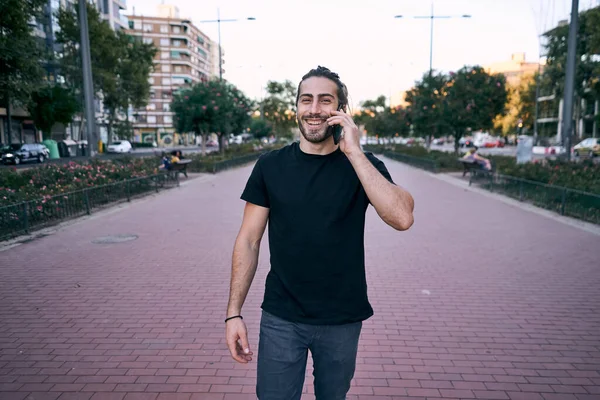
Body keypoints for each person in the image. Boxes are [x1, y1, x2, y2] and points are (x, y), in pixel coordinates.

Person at [225, 66, 415, 400]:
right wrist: (233, 313)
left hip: (342, 318)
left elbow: (402, 217)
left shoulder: (363, 165)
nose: (314, 109)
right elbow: (249, 241)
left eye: (325, 100)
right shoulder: (271, 166)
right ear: (296, 107)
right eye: (306, 100)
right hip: (282, 316)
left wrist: (354, 152)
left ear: (342, 110)